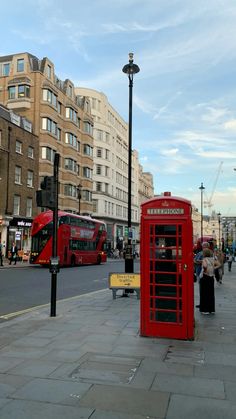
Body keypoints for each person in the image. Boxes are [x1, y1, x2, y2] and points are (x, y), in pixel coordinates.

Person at [199, 247, 220, 314]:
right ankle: (211, 309)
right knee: (211, 294)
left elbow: (205, 266)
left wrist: (205, 271)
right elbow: (219, 264)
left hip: (205, 277)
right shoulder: (213, 259)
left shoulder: (204, 259)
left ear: (204, 253)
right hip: (211, 278)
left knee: (204, 294)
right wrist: (213, 268)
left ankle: (205, 310)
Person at [194, 242, 211, 308]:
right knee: (207, 290)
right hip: (209, 273)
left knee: (202, 289)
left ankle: (202, 304)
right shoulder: (212, 253)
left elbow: (195, 260)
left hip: (200, 272)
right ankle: (207, 304)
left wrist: (200, 261)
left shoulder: (200, 253)